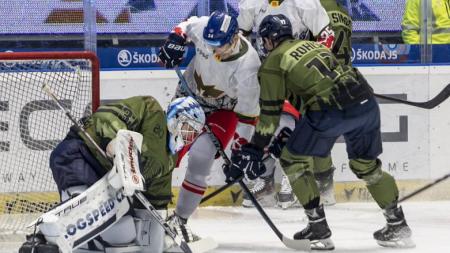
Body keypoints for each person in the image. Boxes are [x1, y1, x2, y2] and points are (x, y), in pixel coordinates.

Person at [225, 14, 415, 250]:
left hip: (330, 109)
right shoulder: (314, 46)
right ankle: (398, 224)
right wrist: (289, 135)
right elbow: (316, 86)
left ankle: (318, 228)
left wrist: (254, 149)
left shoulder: (273, 62)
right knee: (366, 166)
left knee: (292, 160)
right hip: (366, 103)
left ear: (270, 40)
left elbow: (269, 117)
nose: (263, 45)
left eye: (264, 40)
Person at [20, 96, 205, 253]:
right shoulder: (150, 108)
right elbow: (108, 116)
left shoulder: (168, 160)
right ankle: (41, 243)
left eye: (193, 134)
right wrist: (115, 141)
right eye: (187, 128)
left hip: (110, 184)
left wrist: (156, 241)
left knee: (122, 233)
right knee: (84, 214)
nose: (188, 137)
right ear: (175, 117)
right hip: (81, 155)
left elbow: (157, 201)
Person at [158, 11, 261, 243]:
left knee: (201, 156)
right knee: (166, 152)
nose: (214, 50)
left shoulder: (249, 66)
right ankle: (153, 210)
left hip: (224, 110)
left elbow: (247, 116)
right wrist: (174, 40)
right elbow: (184, 26)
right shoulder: (205, 27)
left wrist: (239, 151)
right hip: (190, 95)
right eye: (210, 44)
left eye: (219, 46)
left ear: (235, 38)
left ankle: (180, 221)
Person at [237, 0, 337, 209]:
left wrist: (312, 66)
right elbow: (240, 37)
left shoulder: (305, 3)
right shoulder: (251, 4)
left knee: (297, 124)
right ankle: (265, 181)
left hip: (296, 69)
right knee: (265, 122)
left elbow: (326, 35)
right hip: (266, 69)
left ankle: (305, 180)